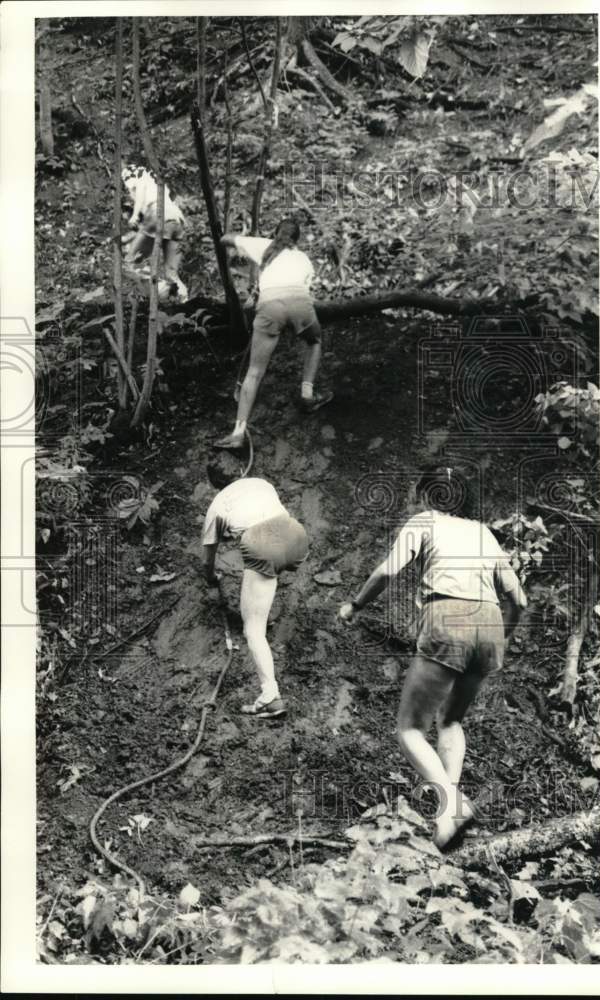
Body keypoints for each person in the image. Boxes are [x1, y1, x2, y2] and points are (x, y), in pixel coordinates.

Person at [338, 465, 527, 851]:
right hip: (490, 626)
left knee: (410, 729)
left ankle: (454, 805)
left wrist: (355, 605)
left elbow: (387, 571)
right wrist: (500, 636)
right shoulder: (483, 532)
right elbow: (519, 599)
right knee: (451, 720)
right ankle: (446, 822)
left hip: (447, 620)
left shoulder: (424, 522)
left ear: (428, 495)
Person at [201, 456, 309, 718]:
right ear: (241, 469)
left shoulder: (217, 505)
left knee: (253, 630)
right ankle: (264, 601)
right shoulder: (261, 483)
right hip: (297, 538)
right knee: (268, 567)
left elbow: (207, 559)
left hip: (264, 544)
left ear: (214, 484)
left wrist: (212, 578)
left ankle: (270, 697)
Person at [214, 218, 332, 450]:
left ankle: (238, 433)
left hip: (269, 306)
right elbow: (304, 290)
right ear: (297, 239)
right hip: (299, 302)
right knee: (314, 340)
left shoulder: (263, 245)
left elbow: (225, 239)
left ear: (275, 233)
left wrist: (234, 237)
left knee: (254, 372)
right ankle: (307, 394)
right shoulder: (303, 258)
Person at [121, 163, 189, 303]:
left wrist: (134, 215)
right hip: (178, 219)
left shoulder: (140, 178)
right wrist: (125, 239)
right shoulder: (158, 183)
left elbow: (141, 192)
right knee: (171, 273)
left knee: (130, 263)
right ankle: (185, 302)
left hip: (158, 214)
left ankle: (158, 290)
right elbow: (149, 230)